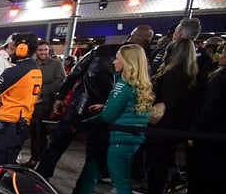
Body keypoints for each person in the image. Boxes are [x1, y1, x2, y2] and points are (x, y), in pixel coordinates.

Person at [37, 25, 153, 179]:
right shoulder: (140, 63)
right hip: (104, 112)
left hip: (79, 106)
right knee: (94, 155)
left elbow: (75, 73)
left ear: (129, 36)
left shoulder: (101, 50)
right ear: (147, 42)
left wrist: (60, 97)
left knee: (58, 144)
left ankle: (41, 176)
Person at [70, 44, 153, 194]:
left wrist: (85, 122)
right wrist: (106, 106)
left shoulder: (123, 84)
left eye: (117, 58)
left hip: (120, 139)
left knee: (121, 182)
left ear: (128, 62)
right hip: (131, 138)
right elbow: (126, 108)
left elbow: (107, 117)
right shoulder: (138, 84)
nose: (114, 62)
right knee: (112, 175)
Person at [136, 38, 198, 194]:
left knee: (155, 167)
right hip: (175, 129)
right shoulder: (190, 76)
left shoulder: (171, 75)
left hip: (161, 128)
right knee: (161, 167)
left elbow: (168, 104)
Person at [0, 32, 43, 168]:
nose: (12, 50)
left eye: (14, 46)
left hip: (5, 125)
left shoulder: (14, 72)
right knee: (8, 168)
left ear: (22, 48)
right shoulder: (36, 71)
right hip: (22, 125)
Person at [183, 41, 226, 194]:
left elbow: (210, 107)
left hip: (211, 132)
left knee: (203, 170)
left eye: (223, 52)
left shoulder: (221, 78)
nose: (219, 55)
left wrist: (195, 132)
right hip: (217, 132)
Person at [23, 41, 65, 167]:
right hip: (31, 103)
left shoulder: (55, 64)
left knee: (41, 132)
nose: (43, 52)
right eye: (40, 50)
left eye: (45, 50)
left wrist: (44, 90)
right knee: (33, 132)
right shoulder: (32, 64)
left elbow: (61, 81)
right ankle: (34, 157)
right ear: (36, 51)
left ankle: (39, 158)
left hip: (46, 103)